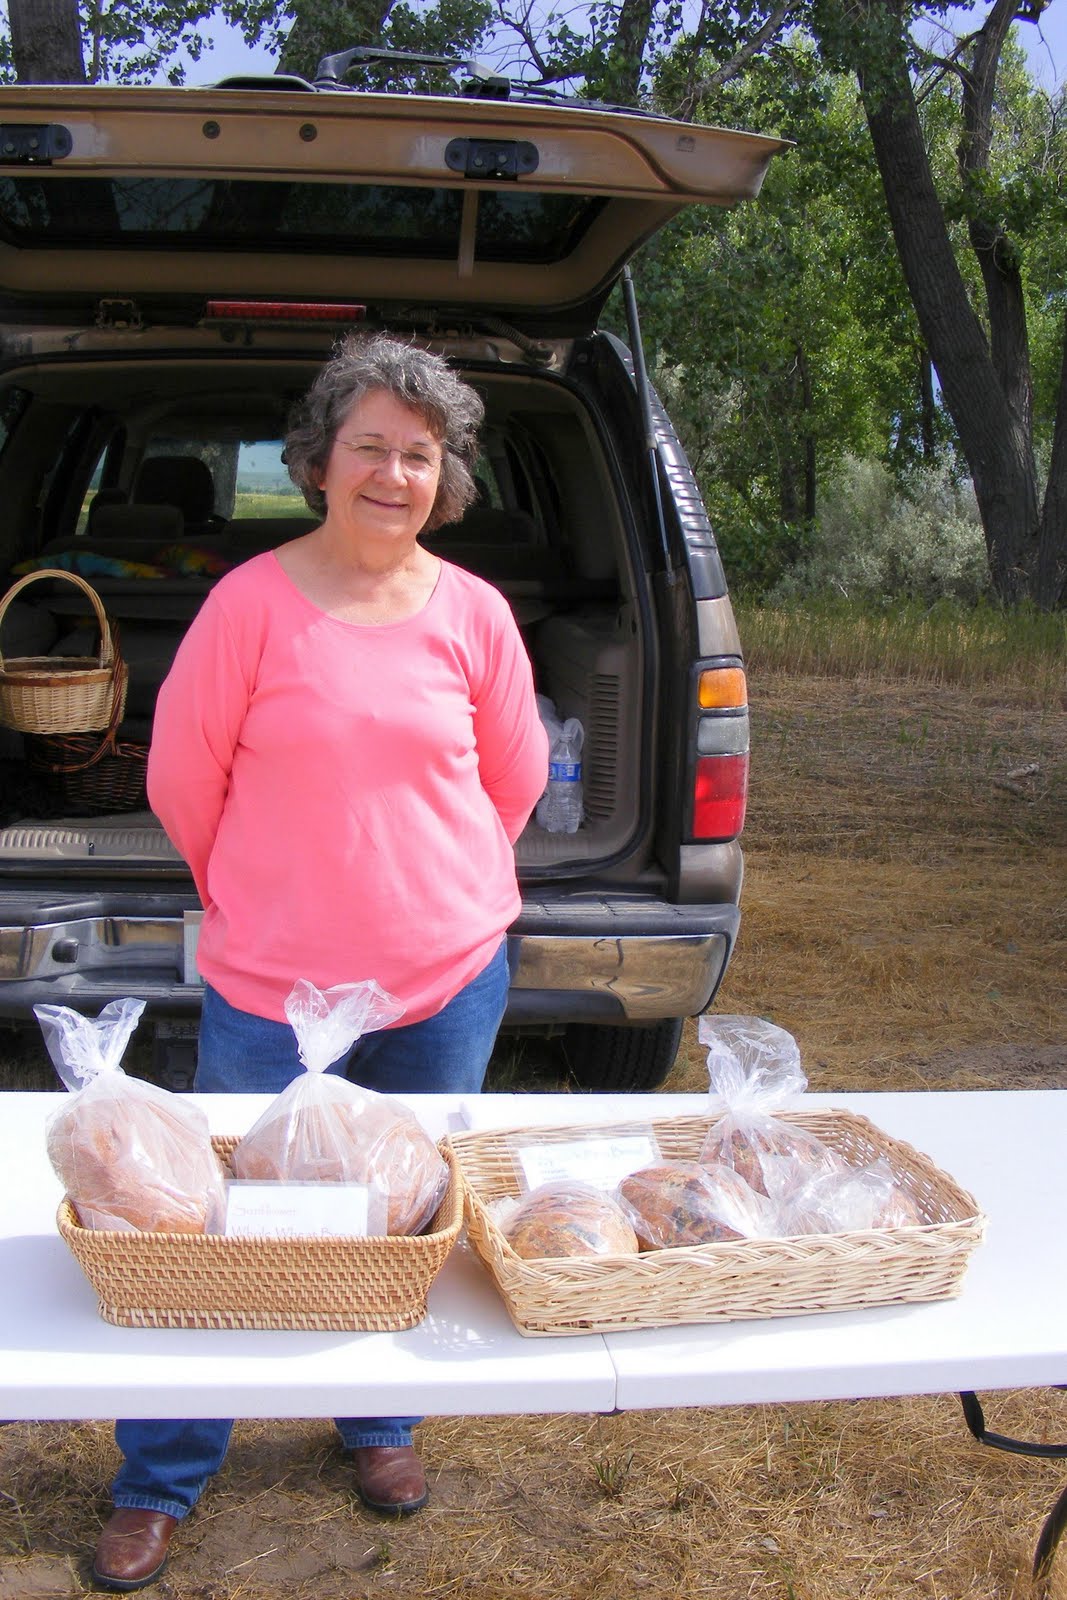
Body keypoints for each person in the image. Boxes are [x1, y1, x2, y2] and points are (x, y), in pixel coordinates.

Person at [91, 333, 549, 1592]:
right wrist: (276, 894)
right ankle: (160, 1476)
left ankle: (378, 1421)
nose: (393, 475)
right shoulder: (249, 601)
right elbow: (185, 785)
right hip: (273, 993)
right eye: (370, 448)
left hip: (446, 979)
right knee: (223, 1231)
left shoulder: (475, 613)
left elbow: (508, 784)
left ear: (442, 477)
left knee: (404, 1217)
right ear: (319, 461)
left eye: (419, 453)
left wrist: (428, 898)